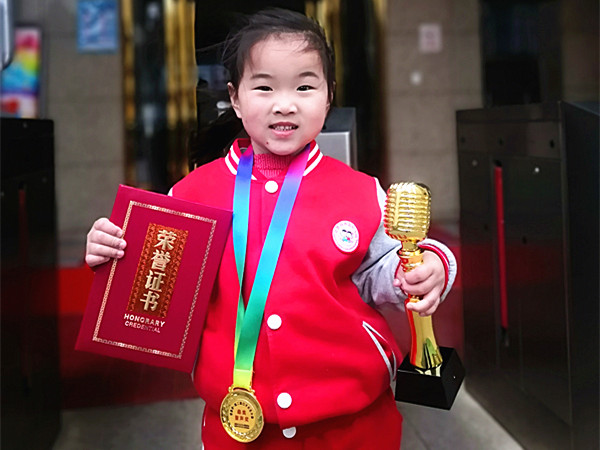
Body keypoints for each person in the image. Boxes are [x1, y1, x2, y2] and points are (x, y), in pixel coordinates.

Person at [86, 8, 457, 449]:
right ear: (235, 98)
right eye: (264, 87)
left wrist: (425, 269)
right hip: (238, 427)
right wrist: (114, 253)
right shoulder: (189, 195)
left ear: (328, 96)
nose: (285, 104)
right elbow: (157, 290)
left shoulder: (361, 192)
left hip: (355, 427)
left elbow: (385, 272)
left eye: (305, 86)